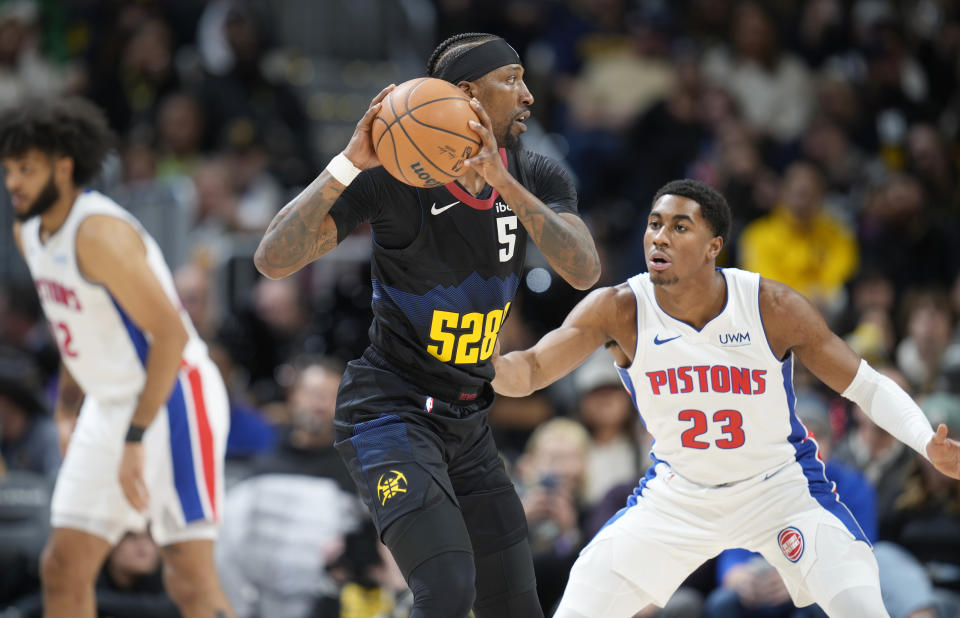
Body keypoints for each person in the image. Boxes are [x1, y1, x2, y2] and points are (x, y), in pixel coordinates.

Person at [491, 178, 960, 618]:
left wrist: (925, 441)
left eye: (680, 226)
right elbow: (529, 370)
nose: (660, 237)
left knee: (859, 602)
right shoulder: (620, 308)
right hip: (679, 495)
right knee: (583, 599)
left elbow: (866, 384)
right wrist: (464, 363)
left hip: (779, 488)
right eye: (654, 223)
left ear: (714, 246)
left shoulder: (770, 306)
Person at [254, 32, 601, 618]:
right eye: (510, 80)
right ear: (465, 95)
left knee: (515, 604)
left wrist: (505, 183)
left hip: (469, 419)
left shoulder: (536, 176)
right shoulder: (392, 179)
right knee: (444, 590)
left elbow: (584, 269)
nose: (528, 95)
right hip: (390, 411)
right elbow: (273, 258)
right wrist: (346, 164)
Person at [0, 97, 234, 618]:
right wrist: (65, 409)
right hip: (110, 403)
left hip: (173, 394)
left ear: (63, 167)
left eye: (27, 169)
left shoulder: (100, 233)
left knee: (189, 578)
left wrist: (134, 435)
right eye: (9, 169)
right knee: (63, 567)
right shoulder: (28, 232)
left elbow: (170, 338)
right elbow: (75, 330)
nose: (13, 182)